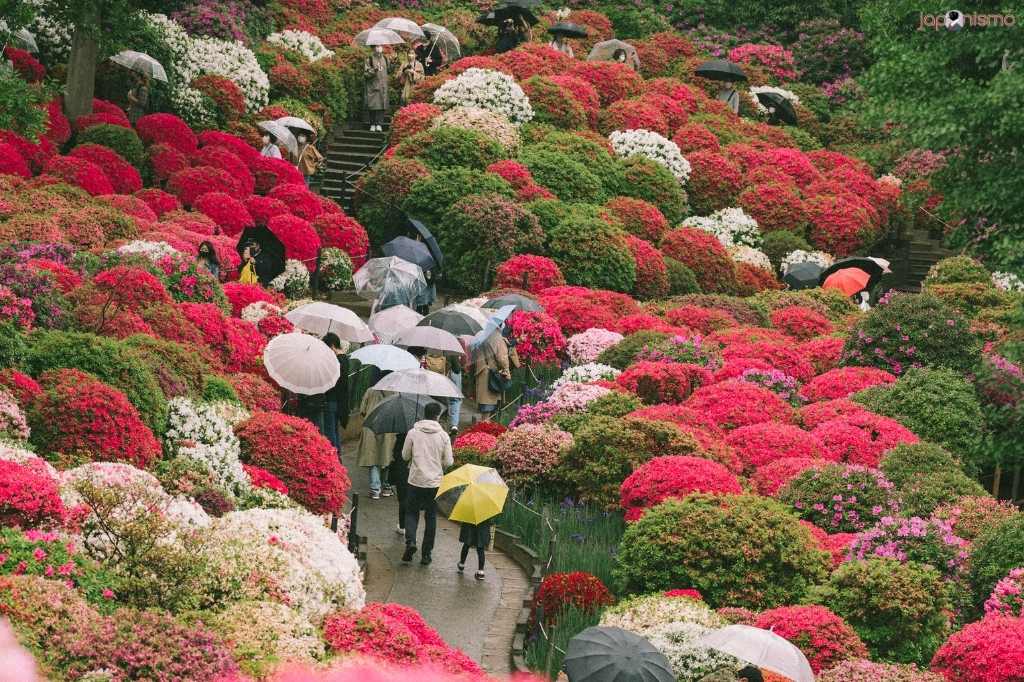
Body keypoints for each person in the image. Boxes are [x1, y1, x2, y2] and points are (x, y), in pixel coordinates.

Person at [401, 401, 453, 565]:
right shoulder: (444, 436)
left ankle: (410, 541)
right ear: (437, 416)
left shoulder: (413, 432)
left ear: (424, 413)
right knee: (430, 517)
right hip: (434, 483)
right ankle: (426, 554)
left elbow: (404, 456)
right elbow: (449, 462)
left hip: (415, 480)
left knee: (411, 512)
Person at [356, 386, 396, 499]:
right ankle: (386, 487)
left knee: (372, 459)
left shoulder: (370, 390)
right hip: (388, 428)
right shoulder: (395, 391)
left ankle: (375, 489)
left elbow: (362, 410)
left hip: (371, 427)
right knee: (386, 457)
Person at [474, 327, 517, 418]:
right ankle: (485, 429)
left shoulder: (483, 335)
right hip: (492, 375)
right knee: (489, 408)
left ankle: (482, 428)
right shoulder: (497, 338)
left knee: (484, 409)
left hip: (483, 372)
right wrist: (507, 371)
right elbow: (502, 359)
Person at [322, 333, 350, 455]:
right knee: (334, 431)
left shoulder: (338, 361)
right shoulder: (345, 359)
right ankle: (337, 458)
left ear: (332, 346)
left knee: (330, 433)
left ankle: (334, 458)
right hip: (338, 401)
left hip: (331, 400)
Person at [364, 45, 389, 132]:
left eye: (380, 46)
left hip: (383, 86)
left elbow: (388, 71)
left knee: (382, 106)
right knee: (373, 106)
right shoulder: (369, 59)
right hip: (373, 86)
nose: (379, 48)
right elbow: (366, 74)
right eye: (377, 46)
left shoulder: (385, 58)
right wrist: (374, 70)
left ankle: (379, 124)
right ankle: (372, 123)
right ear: (373, 48)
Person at [390, 432, 409, 535]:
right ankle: (410, 530)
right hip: (417, 471)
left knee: (402, 498)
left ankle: (402, 526)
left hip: (402, 469)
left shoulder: (403, 435)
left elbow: (397, 454)